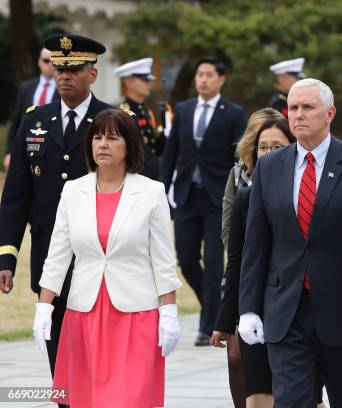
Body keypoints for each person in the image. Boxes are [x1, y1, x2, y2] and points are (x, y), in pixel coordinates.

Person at [238, 78, 342, 407]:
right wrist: (249, 308)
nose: (298, 115)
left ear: (330, 113)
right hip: (287, 312)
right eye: (293, 108)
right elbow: (256, 244)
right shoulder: (269, 167)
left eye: (308, 107)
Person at [33, 108, 181, 406]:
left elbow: (163, 260)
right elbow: (58, 257)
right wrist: (43, 308)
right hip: (84, 315)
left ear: (129, 145)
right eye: (97, 137)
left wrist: (169, 314)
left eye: (112, 138)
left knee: (129, 399)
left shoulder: (152, 192)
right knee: (88, 399)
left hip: (136, 316)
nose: (102, 144)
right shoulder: (73, 191)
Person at [0, 34, 113, 399]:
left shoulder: (112, 121)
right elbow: (16, 195)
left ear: (92, 74)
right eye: (60, 68)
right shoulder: (36, 121)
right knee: (59, 353)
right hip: (51, 258)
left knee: (100, 354)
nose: (64, 76)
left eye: (74, 69)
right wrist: (6, 255)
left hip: (102, 259)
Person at [161, 57, 247, 346]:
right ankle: (211, 306)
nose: (203, 80)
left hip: (217, 197)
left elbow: (239, 156)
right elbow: (171, 152)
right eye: (199, 74)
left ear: (221, 79)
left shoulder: (234, 113)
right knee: (185, 259)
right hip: (186, 193)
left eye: (209, 74)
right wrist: (162, 189)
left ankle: (208, 322)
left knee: (213, 261)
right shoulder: (183, 110)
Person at [213, 115, 297, 407]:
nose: (268, 154)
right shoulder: (244, 195)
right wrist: (225, 320)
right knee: (257, 391)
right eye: (263, 148)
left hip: (297, 305)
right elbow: (236, 259)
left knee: (303, 393)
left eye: (277, 147)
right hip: (255, 303)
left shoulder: (310, 193)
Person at [221, 108, 285, 248]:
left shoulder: (296, 172)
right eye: (262, 144)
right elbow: (228, 230)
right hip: (247, 259)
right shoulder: (238, 174)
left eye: (277, 145)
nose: (269, 152)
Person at [4, 47, 59, 170]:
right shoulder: (26, 88)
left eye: (54, 61)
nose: (50, 64)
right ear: (39, 62)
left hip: (54, 151)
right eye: (46, 60)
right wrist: (9, 152)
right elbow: (16, 122)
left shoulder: (64, 89)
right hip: (27, 148)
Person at [114, 57, 165, 180]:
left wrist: (165, 131)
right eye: (144, 80)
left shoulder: (146, 111)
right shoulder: (124, 113)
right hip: (136, 177)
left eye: (149, 80)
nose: (148, 84)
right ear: (129, 83)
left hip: (152, 175)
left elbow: (153, 149)